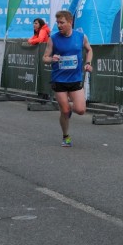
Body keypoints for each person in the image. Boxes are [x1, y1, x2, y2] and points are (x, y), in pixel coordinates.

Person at [42, 10, 93, 147]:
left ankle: (68, 109)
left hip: (75, 79)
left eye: (62, 23)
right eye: (57, 23)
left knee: (81, 110)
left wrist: (88, 64)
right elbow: (44, 58)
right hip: (59, 80)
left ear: (70, 22)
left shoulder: (81, 37)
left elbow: (89, 50)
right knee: (65, 111)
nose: (59, 25)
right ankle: (66, 136)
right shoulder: (53, 38)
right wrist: (51, 58)